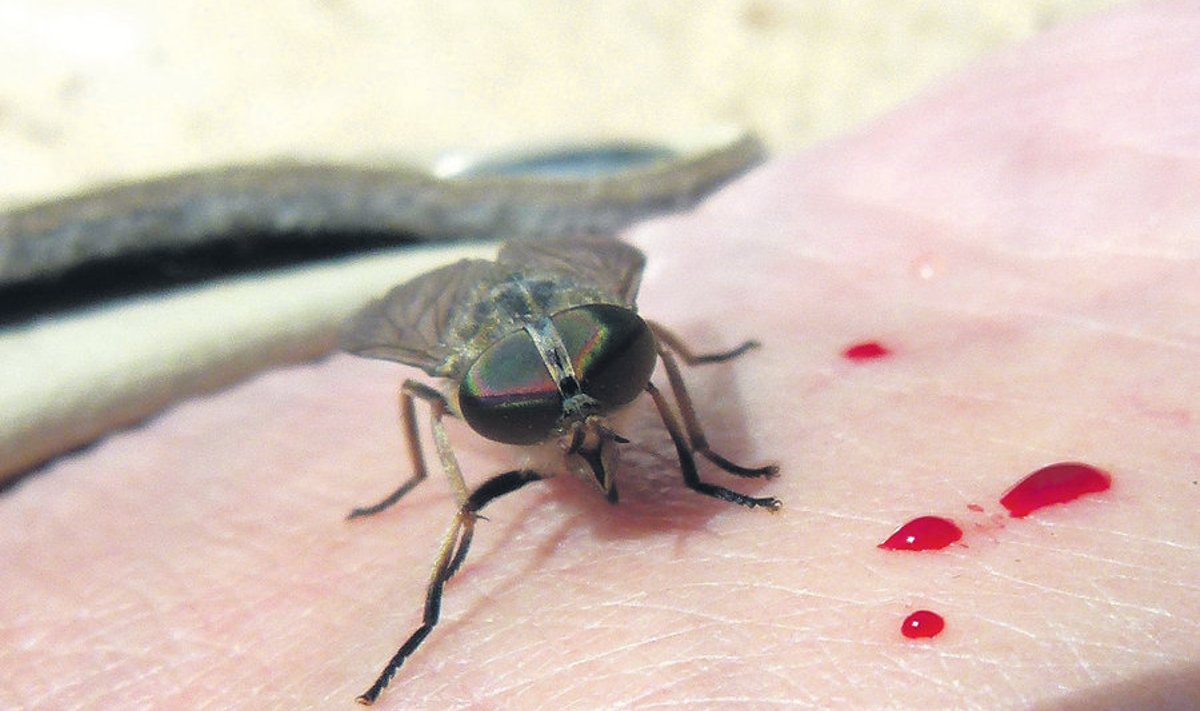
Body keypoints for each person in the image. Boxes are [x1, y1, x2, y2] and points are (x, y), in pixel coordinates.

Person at [2, 4, 1197, 708]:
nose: (579, 403)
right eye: (538, 399)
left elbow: (653, 349)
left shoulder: (603, 331)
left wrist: (698, 440)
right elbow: (477, 391)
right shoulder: (460, 377)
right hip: (485, 322)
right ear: (483, 392)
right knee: (469, 498)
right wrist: (433, 484)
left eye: (595, 375)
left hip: (565, 285)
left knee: (662, 344)